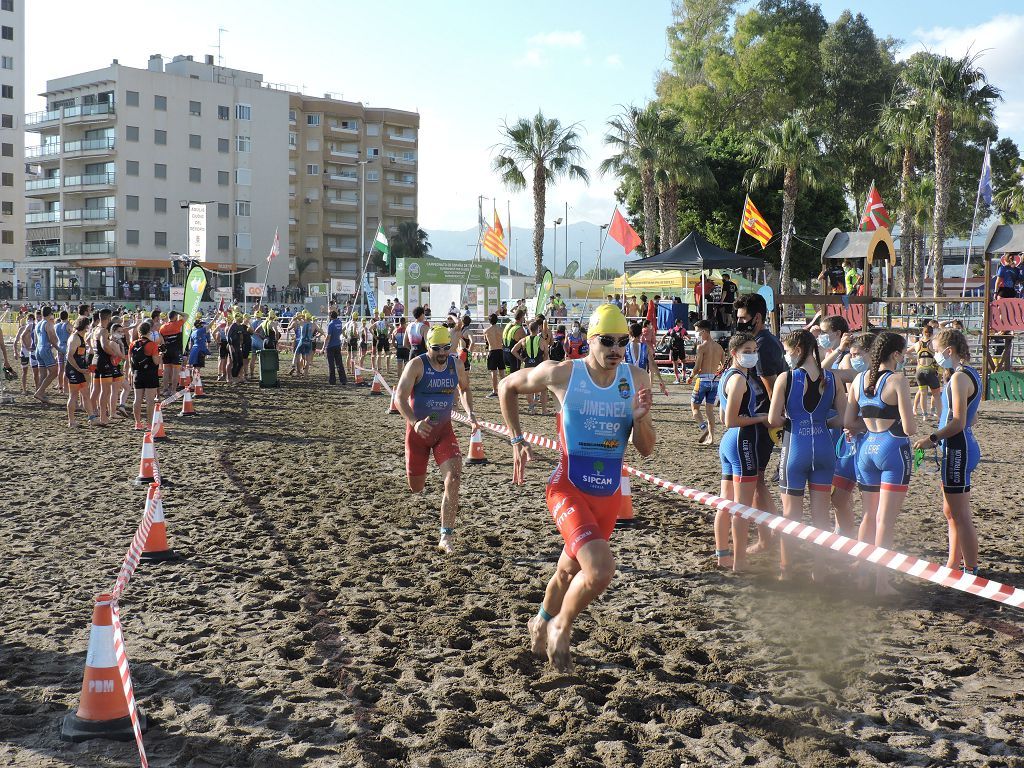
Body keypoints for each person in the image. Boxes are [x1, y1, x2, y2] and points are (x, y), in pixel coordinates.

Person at [499, 304, 655, 671]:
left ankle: (539, 620)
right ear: (590, 340)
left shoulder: (636, 379)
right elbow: (507, 386)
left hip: (608, 496)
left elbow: (646, 449)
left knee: (568, 572)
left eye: (623, 341)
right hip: (568, 486)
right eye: (607, 341)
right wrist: (517, 440)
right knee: (600, 570)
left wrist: (640, 418)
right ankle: (560, 629)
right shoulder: (565, 373)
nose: (616, 349)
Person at [768, 330, 845, 581]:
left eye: (787, 351)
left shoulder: (786, 378)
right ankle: (819, 570)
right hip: (824, 447)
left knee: (791, 515)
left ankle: (786, 570)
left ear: (798, 350)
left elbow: (772, 419)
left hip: (796, 448)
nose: (786, 356)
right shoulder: (832, 379)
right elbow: (843, 419)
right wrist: (820, 423)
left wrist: (795, 420)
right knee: (821, 516)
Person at [393, 325, 478, 554]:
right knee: (416, 488)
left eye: (446, 348)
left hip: (443, 432)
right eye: (437, 348)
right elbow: (399, 397)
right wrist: (414, 421)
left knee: (454, 478)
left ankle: (445, 537)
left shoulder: (455, 364)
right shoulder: (416, 365)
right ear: (427, 346)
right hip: (418, 434)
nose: (442, 353)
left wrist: (469, 412)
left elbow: (466, 388)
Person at [845, 331, 917, 598]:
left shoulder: (858, 380)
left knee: (868, 516)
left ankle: (863, 574)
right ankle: (881, 582)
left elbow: (848, 421)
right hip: (892, 447)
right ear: (895, 354)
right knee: (885, 521)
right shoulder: (898, 380)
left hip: (866, 448)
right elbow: (909, 427)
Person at [913, 329, 981, 574]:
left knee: (960, 514)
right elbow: (971, 419)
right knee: (951, 511)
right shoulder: (966, 374)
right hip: (958, 446)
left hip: (958, 449)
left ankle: (970, 568)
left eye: (937, 350)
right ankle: (953, 563)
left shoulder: (960, 378)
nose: (935, 355)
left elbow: (960, 422)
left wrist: (932, 438)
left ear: (949, 351)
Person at [734, 292, 787, 556]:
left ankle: (769, 537)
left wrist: (774, 421)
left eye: (743, 318)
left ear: (757, 317)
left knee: (756, 481)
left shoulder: (763, 344)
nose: (739, 322)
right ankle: (770, 535)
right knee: (758, 481)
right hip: (761, 420)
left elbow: (772, 386)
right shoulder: (764, 341)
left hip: (764, 421)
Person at [715, 333, 768, 570]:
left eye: (754, 350)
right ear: (734, 353)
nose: (752, 354)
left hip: (729, 443)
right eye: (747, 350)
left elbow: (721, 414)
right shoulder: (738, 380)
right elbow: (729, 420)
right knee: (741, 507)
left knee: (726, 503)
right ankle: (740, 562)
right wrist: (761, 417)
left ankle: (723, 556)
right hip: (741, 442)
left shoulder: (727, 375)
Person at [689, 320, 724, 445]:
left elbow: (697, 367)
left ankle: (704, 428)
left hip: (702, 380)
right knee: (709, 410)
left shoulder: (701, 347)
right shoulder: (719, 347)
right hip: (715, 381)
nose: (696, 333)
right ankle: (712, 438)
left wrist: (691, 376)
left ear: (704, 331)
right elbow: (723, 366)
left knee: (695, 408)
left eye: (697, 331)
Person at [511, 320, 549, 414]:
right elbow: (546, 354)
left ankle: (532, 409)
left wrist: (522, 359)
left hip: (528, 367)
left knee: (529, 389)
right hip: (538, 367)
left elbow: (513, 350)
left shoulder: (524, 340)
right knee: (544, 389)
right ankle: (544, 410)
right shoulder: (541, 341)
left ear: (529, 329)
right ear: (538, 329)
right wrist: (544, 364)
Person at [130, 321, 162, 430]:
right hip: (150, 374)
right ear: (149, 332)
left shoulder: (133, 344)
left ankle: (137, 423)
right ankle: (149, 424)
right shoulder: (152, 345)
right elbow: (156, 362)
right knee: (150, 401)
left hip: (137, 374)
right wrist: (161, 355)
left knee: (137, 399)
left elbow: (131, 360)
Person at [623, 321, 668, 396]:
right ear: (641, 334)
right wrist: (661, 381)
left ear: (630, 334)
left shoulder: (625, 347)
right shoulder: (645, 347)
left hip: (629, 378)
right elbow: (652, 364)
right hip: (642, 379)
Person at [64, 316, 93, 428]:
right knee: (73, 395)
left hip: (80, 369)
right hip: (73, 369)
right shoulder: (75, 338)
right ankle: (71, 421)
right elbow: (69, 356)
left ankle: (92, 417)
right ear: (85, 326)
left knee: (85, 394)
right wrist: (78, 369)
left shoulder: (81, 337)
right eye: (88, 325)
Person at [911, 324, 941, 419]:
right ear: (931, 333)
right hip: (930, 370)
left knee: (922, 393)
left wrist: (914, 358)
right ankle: (940, 414)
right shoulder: (933, 343)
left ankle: (925, 415)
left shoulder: (917, 344)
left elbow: (906, 352)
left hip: (919, 370)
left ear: (922, 333)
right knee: (936, 394)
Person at [32, 305, 60, 403]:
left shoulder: (38, 323)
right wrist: (58, 349)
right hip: (45, 349)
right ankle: (40, 392)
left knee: (43, 374)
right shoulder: (48, 324)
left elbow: (35, 339)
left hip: (38, 349)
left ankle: (40, 393)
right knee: (54, 372)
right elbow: (52, 338)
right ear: (50, 313)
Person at [484, 313, 505, 397]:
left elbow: (486, 343)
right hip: (500, 350)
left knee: (494, 372)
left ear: (489, 321)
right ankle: (504, 389)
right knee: (502, 371)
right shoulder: (501, 329)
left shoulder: (486, 331)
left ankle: (495, 390)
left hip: (492, 351)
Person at [323, 310, 346, 385]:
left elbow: (328, 336)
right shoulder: (339, 323)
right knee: (339, 363)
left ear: (330, 316)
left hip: (330, 346)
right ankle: (343, 380)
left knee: (331, 364)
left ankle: (332, 380)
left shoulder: (331, 324)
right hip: (337, 345)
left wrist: (324, 347)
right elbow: (340, 332)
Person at [502, 309, 527, 375]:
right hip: (513, 356)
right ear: (522, 317)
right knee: (515, 377)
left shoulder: (508, 325)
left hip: (505, 354)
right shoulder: (520, 329)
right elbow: (525, 344)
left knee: (508, 376)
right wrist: (523, 357)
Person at [54, 309, 71, 396]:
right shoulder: (67, 325)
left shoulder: (56, 325)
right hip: (66, 347)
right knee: (66, 369)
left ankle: (60, 387)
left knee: (60, 369)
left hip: (59, 346)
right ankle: (65, 388)